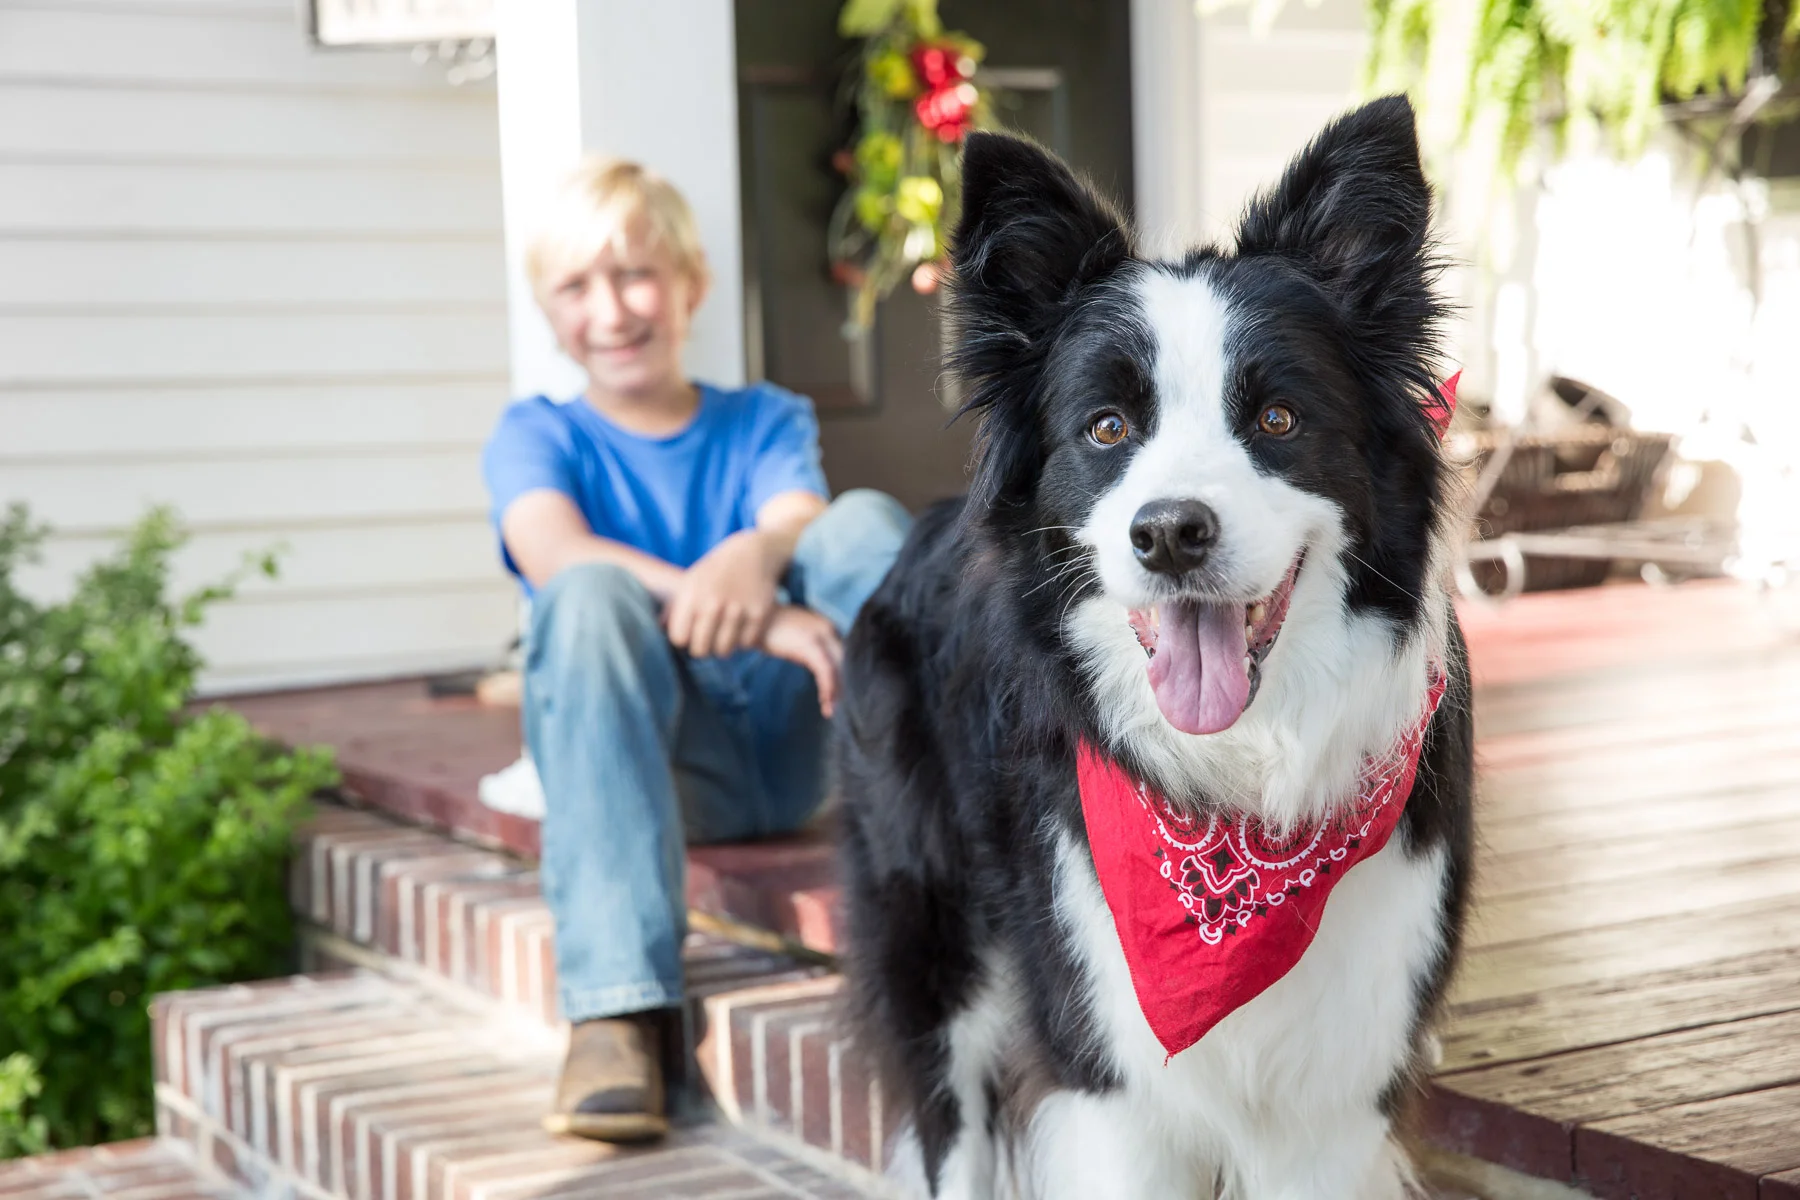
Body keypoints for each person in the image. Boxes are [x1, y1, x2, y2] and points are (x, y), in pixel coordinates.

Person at [481, 159, 911, 1143]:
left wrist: (760, 552)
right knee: (585, 594)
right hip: (673, 773)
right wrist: (754, 609)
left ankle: (977, 837)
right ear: (548, 313)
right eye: (578, 288)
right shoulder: (536, 435)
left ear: (691, 287)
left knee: (860, 524)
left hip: (809, 743)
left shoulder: (760, 417)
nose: (612, 309)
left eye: (636, 275)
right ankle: (619, 1012)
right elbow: (556, 550)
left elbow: (799, 514)